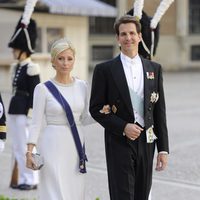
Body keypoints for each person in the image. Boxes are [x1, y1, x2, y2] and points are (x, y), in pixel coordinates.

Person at [89, 15, 169, 200]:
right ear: (117, 38)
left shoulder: (154, 68)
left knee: (142, 194)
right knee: (122, 195)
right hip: (119, 141)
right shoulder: (104, 70)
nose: (128, 38)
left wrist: (163, 149)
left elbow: (159, 111)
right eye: (123, 34)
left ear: (140, 36)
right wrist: (123, 127)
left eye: (132, 33)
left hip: (147, 143)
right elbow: (95, 109)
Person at [26, 38, 93, 200]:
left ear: (74, 60)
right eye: (61, 58)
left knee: (74, 191)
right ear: (53, 61)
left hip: (76, 146)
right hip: (52, 145)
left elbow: (83, 119)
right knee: (54, 191)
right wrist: (29, 152)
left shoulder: (82, 86)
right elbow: (35, 123)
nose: (65, 63)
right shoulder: (42, 89)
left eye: (69, 59)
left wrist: (103, 114)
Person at [7, 16, 40, 190]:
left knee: (28, 148)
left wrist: (31, 116)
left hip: (24, 112)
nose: (13, 52)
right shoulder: (17, 67)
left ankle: (32, 179)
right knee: (18, 147)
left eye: (16, 49)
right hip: (15, 110)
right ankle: (23, 178)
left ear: (24, 50)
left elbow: (36, 94)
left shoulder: (31, 67)